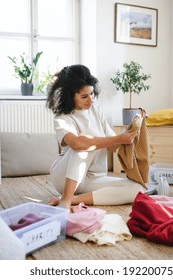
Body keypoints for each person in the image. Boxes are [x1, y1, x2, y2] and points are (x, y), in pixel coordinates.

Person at [46, 64, 144, 209]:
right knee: (86, 140)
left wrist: (132, 129)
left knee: (138, 189)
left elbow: (112, 146)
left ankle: (72, 199)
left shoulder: (95, 108)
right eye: (84, 96)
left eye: (92, 93)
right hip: (65, 177)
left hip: (94, 178)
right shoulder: (62, 118)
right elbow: (78, 144)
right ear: (70, 96)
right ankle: (66, 199)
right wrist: (119, 138)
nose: (90, 100)